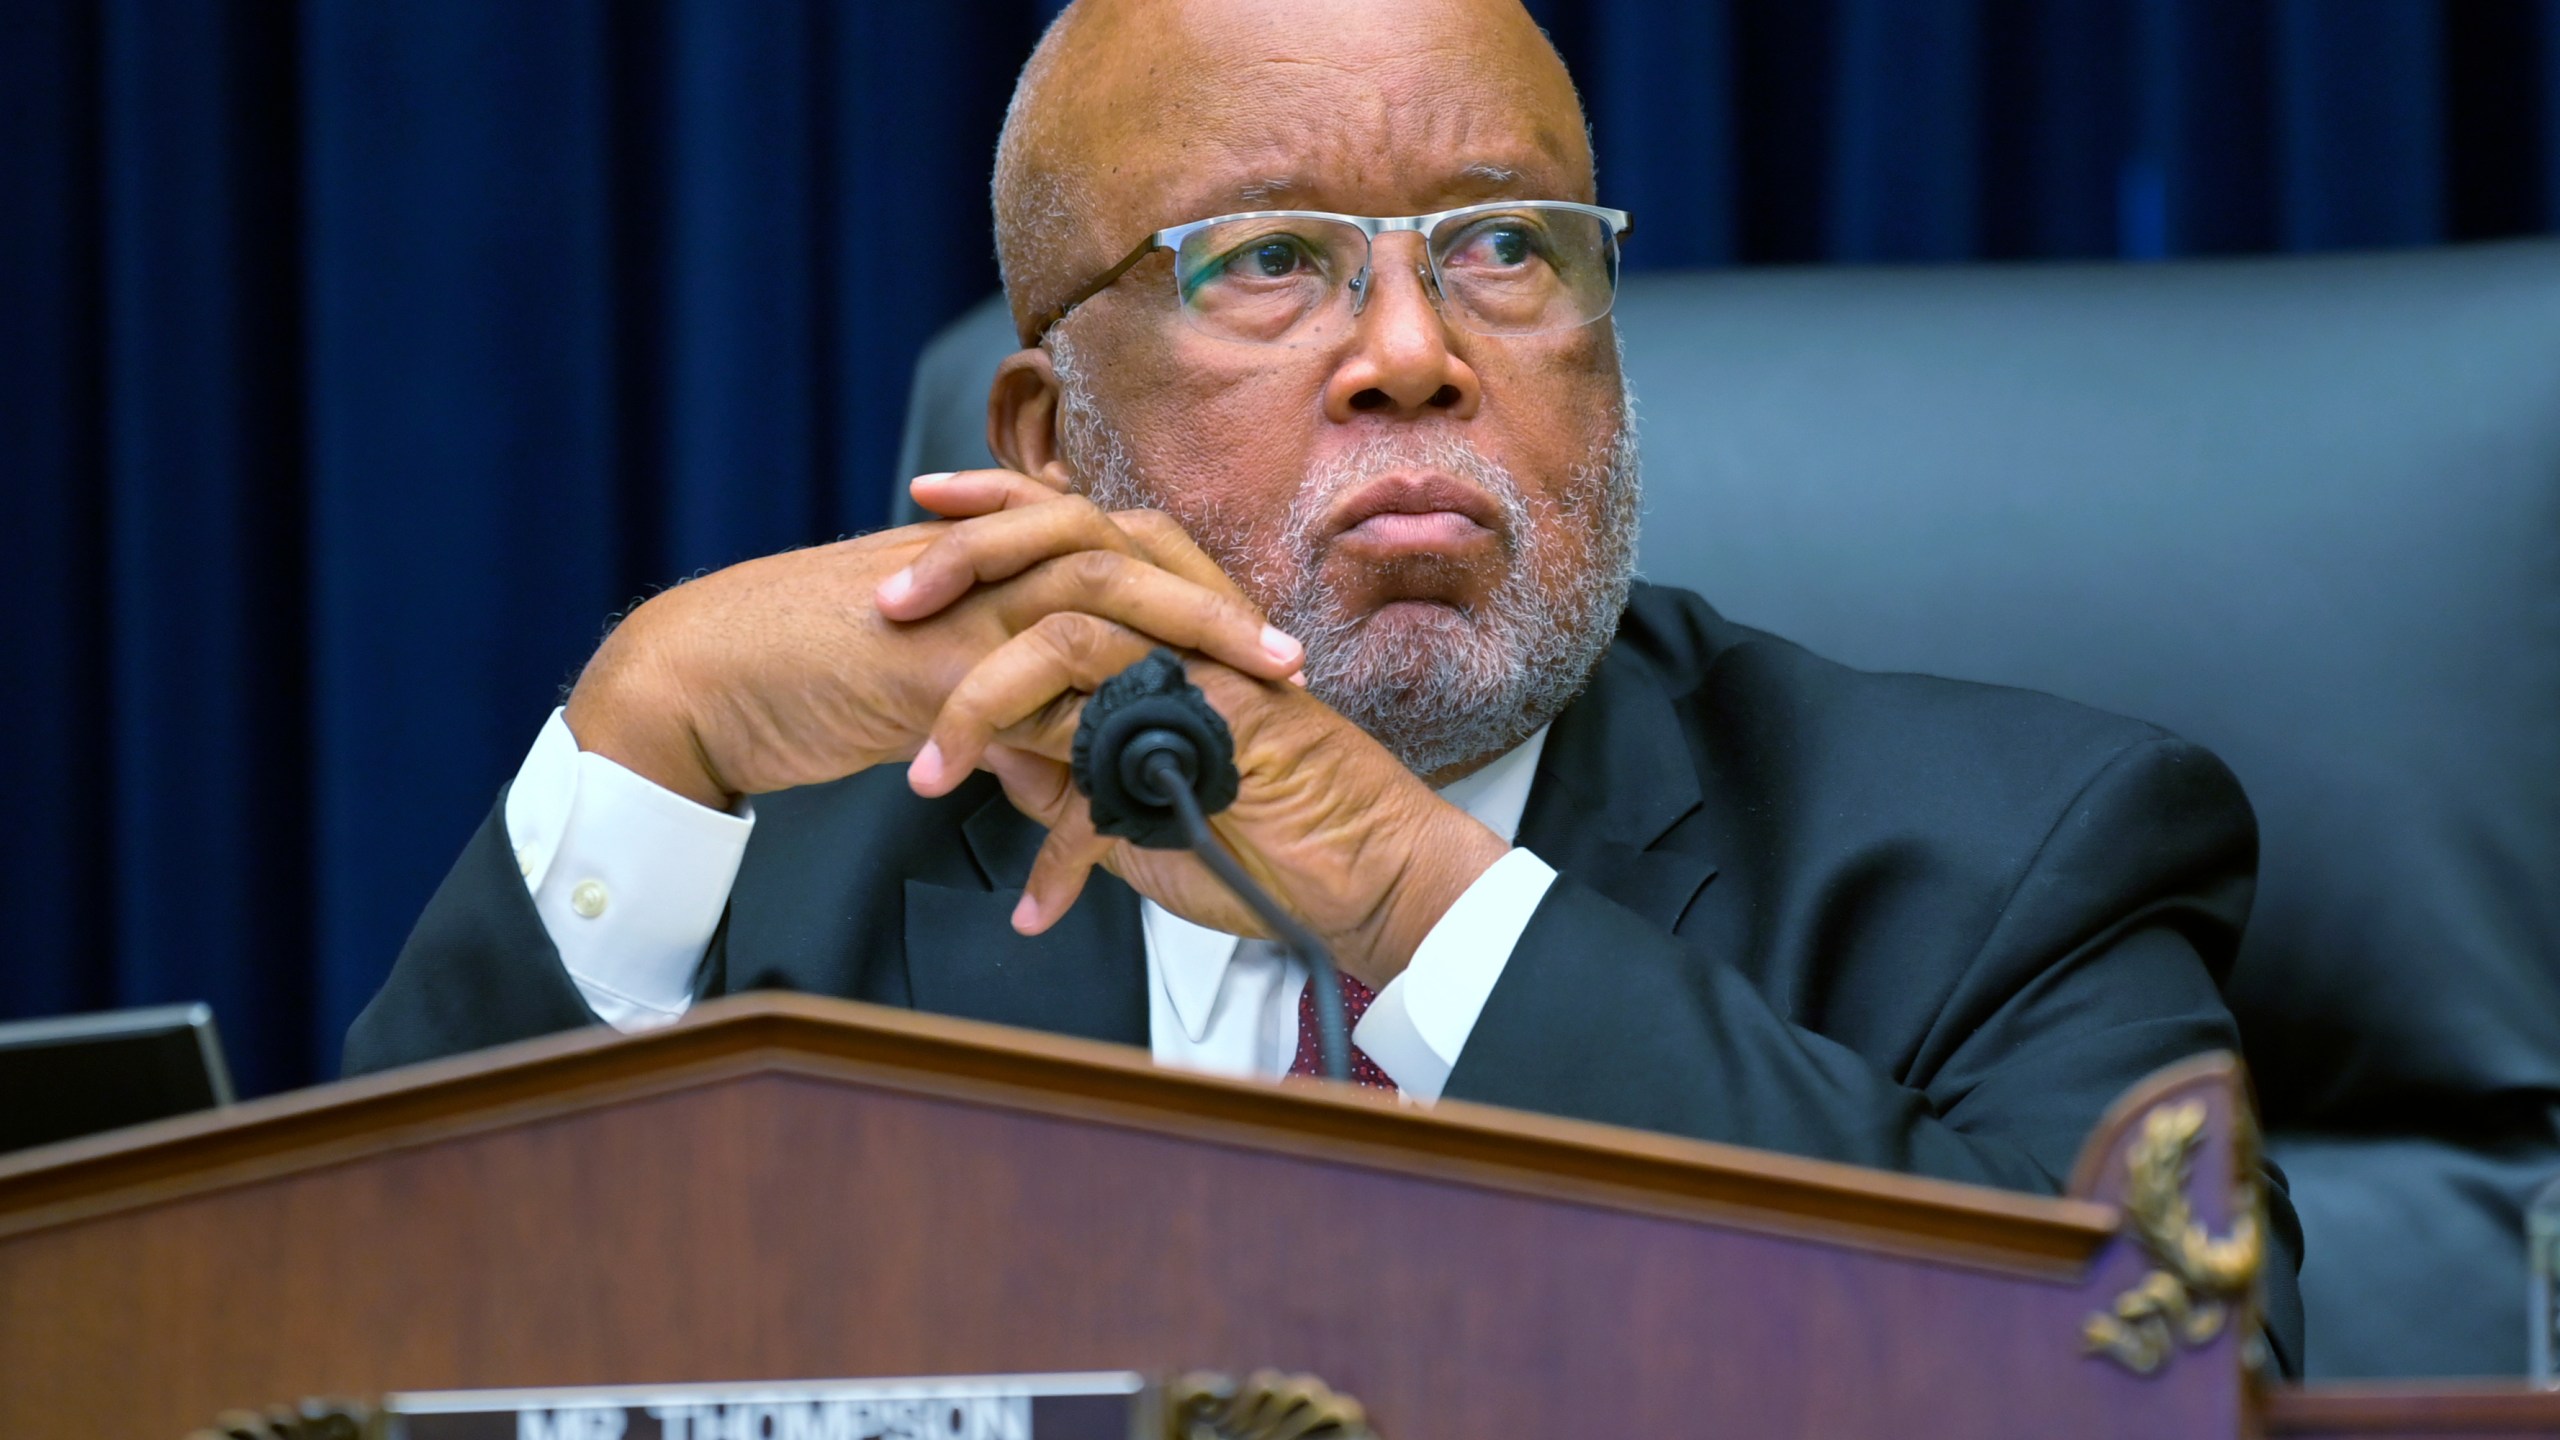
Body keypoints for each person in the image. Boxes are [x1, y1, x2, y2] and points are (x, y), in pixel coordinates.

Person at [346, 0, 2302, 1369]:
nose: (1409, 350)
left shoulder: (2008, 860)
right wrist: (647, 716)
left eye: (1502, 250)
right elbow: (335, 1342)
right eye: (1270, 259)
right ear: (1042, 438)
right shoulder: (794, 888)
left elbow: (2152, 1379)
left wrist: (1408, 901)